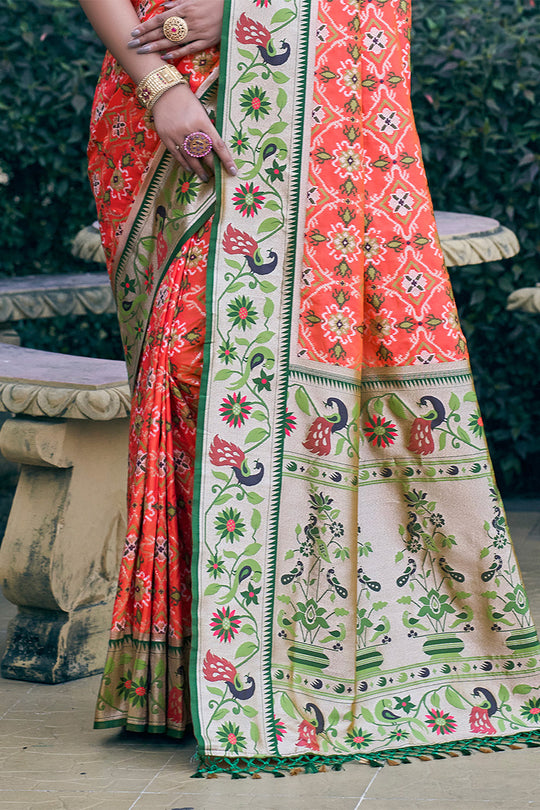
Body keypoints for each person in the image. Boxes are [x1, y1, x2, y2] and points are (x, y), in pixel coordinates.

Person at [81, 0, 540, 776]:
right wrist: (161, 87)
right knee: (191, 369)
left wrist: (252, 18)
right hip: (166, 99)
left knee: (228, 369)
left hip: (309, 103)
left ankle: (292, 659)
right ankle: (196, 672)